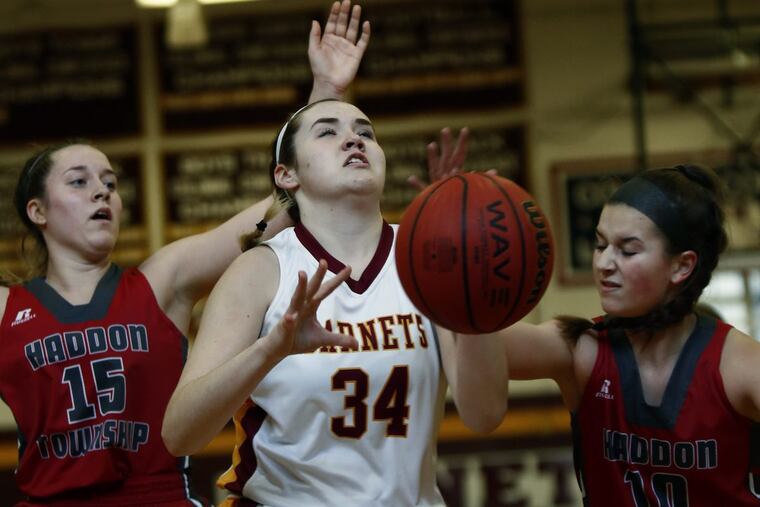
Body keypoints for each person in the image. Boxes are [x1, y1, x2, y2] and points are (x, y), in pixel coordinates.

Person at [0, 2, 369, 505]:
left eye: (110, 183)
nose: (102, 192)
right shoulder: (7, 309)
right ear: (37, 211)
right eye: (80, 182)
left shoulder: (161, 279)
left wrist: (325, 94)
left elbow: (280, 206)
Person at [162, 96, 508, 506]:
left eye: (365, 133)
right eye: (328, 132)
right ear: (286, 175)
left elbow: (484, 415)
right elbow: (180, 433)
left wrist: (469, 275)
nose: (353, 140)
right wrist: (270, 350)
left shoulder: (428, 259)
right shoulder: (260, 270)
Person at [497, 165, 760, 505]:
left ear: (682, 266)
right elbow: (484, 345)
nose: (604, 263)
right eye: (600, 244)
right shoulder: (583, 349)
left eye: (627, 250)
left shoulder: (737, 364)